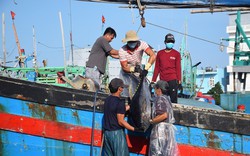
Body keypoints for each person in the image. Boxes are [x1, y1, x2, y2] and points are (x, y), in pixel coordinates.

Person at [102, 78, 139, 156]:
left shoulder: (107, 100)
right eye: (122, 87)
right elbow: (121, 122)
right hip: (116, 134)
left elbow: (115, 110)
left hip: (107, 133)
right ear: (119, 89)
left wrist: (129, 106)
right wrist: (135, 129)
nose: (123, 89)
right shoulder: (120, 102)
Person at [118, 30, 156, 98]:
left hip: (139, 68)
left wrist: (146, 69)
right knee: (126, 92)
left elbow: (153, 55)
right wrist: (134, 69)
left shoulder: (142, 44)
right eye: (130, 42)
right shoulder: (122, 50)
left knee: (142, 90)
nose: (132, 43)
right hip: (126, 73)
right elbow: (124, 67)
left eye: (134, 41)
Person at [148, 80, 179, 156]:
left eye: (155, 88)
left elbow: (164, 115)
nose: (154, 91)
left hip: (160, 130)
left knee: (156, 152)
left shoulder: (160, 99)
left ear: (159, 89)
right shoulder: (167, 99)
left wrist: (152, 121)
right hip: (167, 131)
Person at [152, 33, 181, 103]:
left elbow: (178, 68)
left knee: (173, 100)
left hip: (173, 80)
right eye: (168, 41)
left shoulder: (176, 54)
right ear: (165, 42)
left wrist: (179, 80)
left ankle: (173, 113)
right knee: (161, 100)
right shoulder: (160, 53)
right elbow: (157, 67)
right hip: (163, 80)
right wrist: (153, 80)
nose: (170, 43)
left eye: (172, 42)